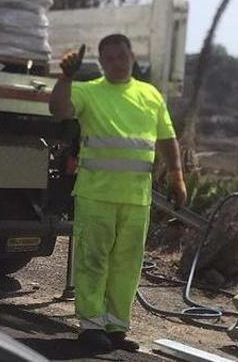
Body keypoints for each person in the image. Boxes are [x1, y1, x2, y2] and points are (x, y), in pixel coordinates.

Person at [50, 34, 187, 353]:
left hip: (136, 199)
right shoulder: (87, 91)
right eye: (108, 58)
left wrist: (178, 177)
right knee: (93, 261)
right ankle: (91, 325)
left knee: (127, 265)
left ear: (132, 57)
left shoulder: (150, 95)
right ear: (100, 62)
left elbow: (167, 139)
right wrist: (65, 78)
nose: (116, 62)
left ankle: (116, 326)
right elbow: (58, 110)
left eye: (121, 56)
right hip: (96, 196)